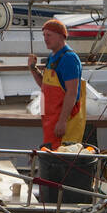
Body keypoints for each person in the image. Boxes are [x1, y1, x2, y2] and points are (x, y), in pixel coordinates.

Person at [29, 19, 86, 150]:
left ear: (61, 36)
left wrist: (62, 121)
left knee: (64, 159)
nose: (45, 39)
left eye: (49, 35)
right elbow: (45, 85)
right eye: (44, 35)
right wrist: (33, 68)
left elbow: (72, 93)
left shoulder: (69, 59)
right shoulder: (52, 57)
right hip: (51, 123)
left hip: (64, 125)